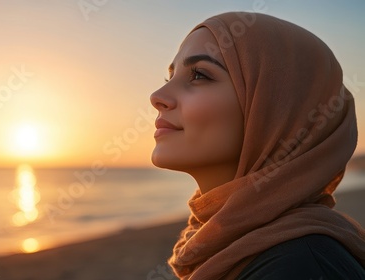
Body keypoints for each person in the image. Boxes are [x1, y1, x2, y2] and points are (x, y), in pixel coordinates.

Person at [150, 12, 365, 280]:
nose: (157, 97)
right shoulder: (227, 240)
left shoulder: (299, 267)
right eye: (169, 78)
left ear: (278, 111)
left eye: (199, 75)